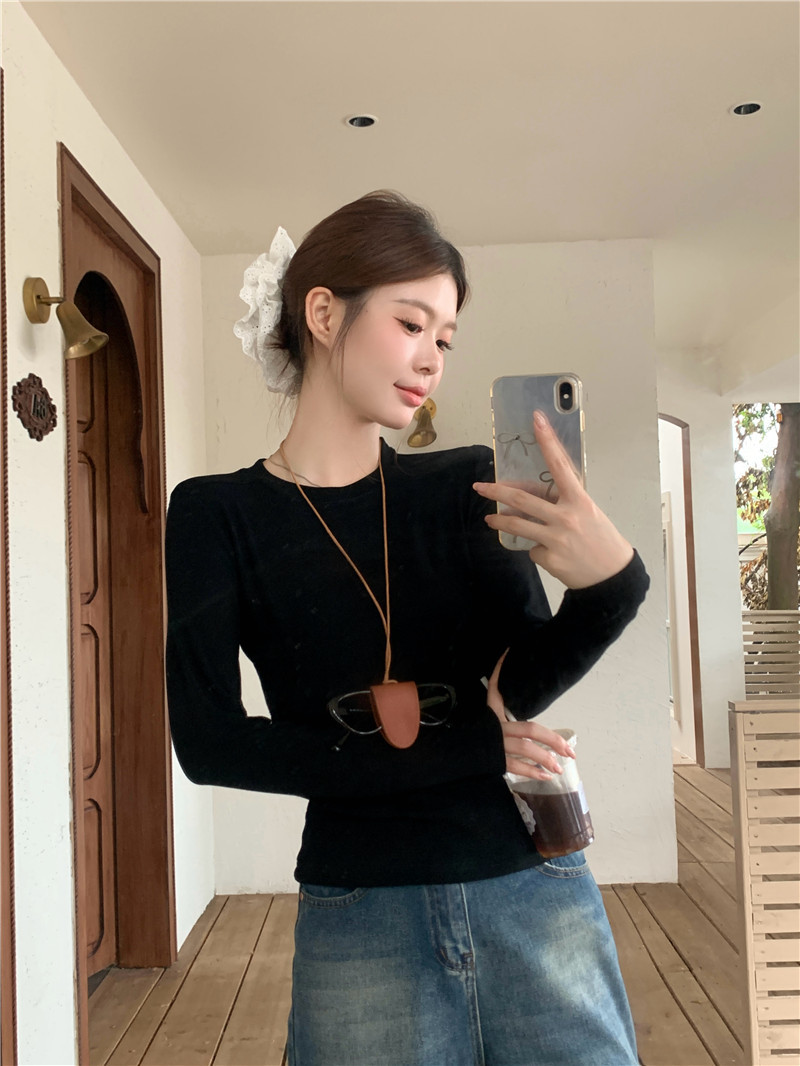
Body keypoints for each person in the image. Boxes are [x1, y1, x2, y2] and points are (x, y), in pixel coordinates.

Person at [165, 191, 650, 1066]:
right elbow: (210, 744)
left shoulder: (463, 486)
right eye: (411, 323)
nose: (431, 358)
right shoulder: (215, 514)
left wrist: (614, 585)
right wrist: (469, 748)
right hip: (361, 907)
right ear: (324, 314)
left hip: (529, 884)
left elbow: (517, 688)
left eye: (446, 339)